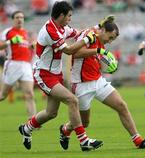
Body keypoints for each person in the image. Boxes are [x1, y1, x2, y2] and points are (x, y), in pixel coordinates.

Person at [18, 1, 115, 151]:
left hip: (55, 74)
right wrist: (88, 40)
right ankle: (84, 141)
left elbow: (78, 33)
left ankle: (26, 128)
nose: (70, 18)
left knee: (51, 113)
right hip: (44, 74)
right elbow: (69, 51)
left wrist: (97, 26)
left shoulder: (62, 27)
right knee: (72, 100)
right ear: (61, 15)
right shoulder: (50, 30)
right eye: (69, 16)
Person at [59, 20, 145, 151]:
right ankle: (66, 129)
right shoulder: (89, 35)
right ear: (103, 30)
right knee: (85, 122)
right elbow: (75, 53)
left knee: (121, 105)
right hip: (81, 84)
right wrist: (99, 51)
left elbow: (96, 58)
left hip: (98, 81)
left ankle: (138, 140)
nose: (110, 41)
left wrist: (110, 66)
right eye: (110, 37)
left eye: (113, 39)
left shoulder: (101, 41)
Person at [0, 10, 36, 119]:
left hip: (26, 65)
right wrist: (10, 41)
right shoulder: (8, 32)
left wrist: (31, 46)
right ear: (13, 19)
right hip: (13, 65)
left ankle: (32, 123)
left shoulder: (25, 33)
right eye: (17, 17)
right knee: (3, 95)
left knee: (30, 94)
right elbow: (1, 46)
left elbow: (24, 46)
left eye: (21, 17)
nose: (20, 19)